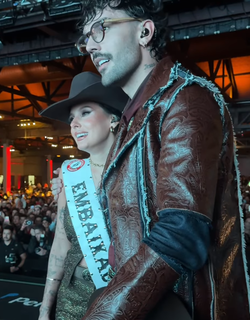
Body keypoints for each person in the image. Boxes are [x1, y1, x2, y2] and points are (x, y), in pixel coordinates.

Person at [55, 0, 250, 319]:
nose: (90, 45)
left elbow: (181, 234)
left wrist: (105, 313)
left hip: (183, 310)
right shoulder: (137, 117)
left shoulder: (185, 99)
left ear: (144, 31)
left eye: (100, 29)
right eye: (86, 37)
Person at [38, 72, 128, 320]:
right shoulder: (69, 175)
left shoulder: (137, 172)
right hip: (71, 296)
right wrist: (45, 309)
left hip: (123, 297)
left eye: (85, 112)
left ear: (113, 119)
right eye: (71, 118)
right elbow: (60, 244)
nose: (74, 124)